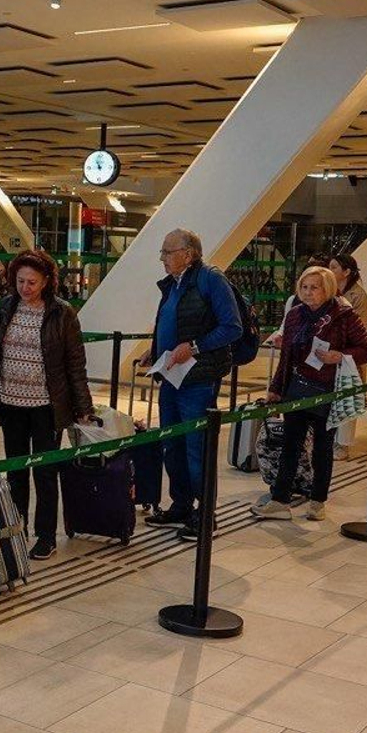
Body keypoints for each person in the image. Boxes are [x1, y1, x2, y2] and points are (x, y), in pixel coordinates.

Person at [0, 248, 92, 560]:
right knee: (15, 472)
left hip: (46, 407)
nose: (25, 287)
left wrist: (83, 406)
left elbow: (75, 363)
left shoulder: (62, 313)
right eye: (20, 280)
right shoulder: (5, 307)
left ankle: (45, 535)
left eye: (32, 282)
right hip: (10, 403)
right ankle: (16, 530)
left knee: (44, 472)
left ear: (46, 282)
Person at [141, 229, 241, 541]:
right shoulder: (173, 283)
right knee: (173, 444)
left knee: (197, 448)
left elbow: (232, 327)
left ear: (189, 253)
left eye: (168, 252)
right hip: (171, 376)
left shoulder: (211, 279)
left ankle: (205, 513)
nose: (162, 258)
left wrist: (194, 347)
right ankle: (182, 504)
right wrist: (155, 349)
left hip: (198, 379)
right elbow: (171, 322)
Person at [253, 267, 367, 522]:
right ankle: (280, 500)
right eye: (304, 287)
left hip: (327, 388)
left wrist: (338, 356)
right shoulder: (295, 315)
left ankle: (318, 501)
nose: (308, 292)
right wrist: (276, 389)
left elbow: (366, 349)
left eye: (314, 287)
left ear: (327, 288)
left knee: (322, 447)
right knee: (290, 444)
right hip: (298, 386)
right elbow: (287, 356)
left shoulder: (343, 315)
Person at [329, 254, 367, 460]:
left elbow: (361, 329)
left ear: (346, 272)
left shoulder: (357, 295)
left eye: (334, 267)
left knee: (347, 398)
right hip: (329, 356)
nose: (330, 271)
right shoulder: (327, 292)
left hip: (349, 355)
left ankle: (342, 444)